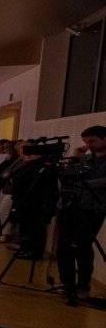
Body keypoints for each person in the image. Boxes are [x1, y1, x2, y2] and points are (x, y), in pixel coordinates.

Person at [58, 125, 106, 304]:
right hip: (72, 205)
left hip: (93, 208)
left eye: (92, 141)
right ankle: (67, 284)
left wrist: (85, 183)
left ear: (104, 139)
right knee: (64, 245)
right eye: (86, 141)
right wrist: (75, 157)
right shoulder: (85, 158)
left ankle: (83, 284)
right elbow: (67, 175)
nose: (89, 144)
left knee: (82, 245)